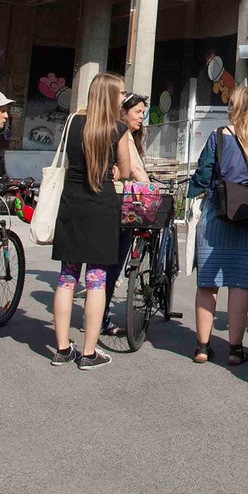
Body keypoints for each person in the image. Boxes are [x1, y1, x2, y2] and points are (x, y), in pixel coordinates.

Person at [186, 86, 248, 366]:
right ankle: (235, 350)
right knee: (239, 284)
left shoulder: (218, 136)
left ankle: (202, 347)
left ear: (233, 107)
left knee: (208, 283)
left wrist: (191, 192)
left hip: (217, 214)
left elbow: (203, 175)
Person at [51, 72, 129, 370]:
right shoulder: (118, 129)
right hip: (101, 205)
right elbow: (124, 170)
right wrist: (114, 170)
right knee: (97, 279)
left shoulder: (72, 122)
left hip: (72, 203)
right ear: (111, 96)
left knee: (67, 277)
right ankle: (88, 352)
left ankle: (61, 349)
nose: (123, 98)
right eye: (121, 93)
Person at [99, 91, 153, 337]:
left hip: (114, 202)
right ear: (123, 112)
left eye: (143, 112)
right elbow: (133, 169)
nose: (141, 117)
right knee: (112, 264)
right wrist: (153, 191)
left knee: (105, 265)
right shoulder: (123, 134)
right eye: (137, 112)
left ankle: (99, 314)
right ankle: (101, 317)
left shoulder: (122, 134)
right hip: (122, 204)